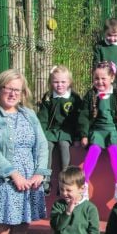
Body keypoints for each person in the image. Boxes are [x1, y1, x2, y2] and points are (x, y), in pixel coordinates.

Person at [0, 69, 50, 234]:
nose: (13, 93)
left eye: (17, 90)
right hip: (2, 181)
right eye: (9, 88)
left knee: (20, 231)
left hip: (28, 183)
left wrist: (40, 173)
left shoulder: (29, 115)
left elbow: (43, 145)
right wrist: (12, 173)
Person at [77, 61, 117, 201]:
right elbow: (84, 117)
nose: (99, 82)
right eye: (96, 79)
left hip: (112, 131)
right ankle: (84, 185)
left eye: (103, 78)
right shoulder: (90, 95)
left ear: (112, 78)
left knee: (114, 150)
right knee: (94, 150)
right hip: (97, 131)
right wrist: (84, 134)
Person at [36, 65, 82, 195]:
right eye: (56, 82)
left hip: (67, 132)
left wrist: (77, 137)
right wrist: (41, 135)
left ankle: (64, 181)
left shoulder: (74, 98)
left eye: (63, 82)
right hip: (51, 131)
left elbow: (79, 119)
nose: (59, 85)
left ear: (69, 82)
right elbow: (43, 118)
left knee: (63, 146)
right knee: (47, 146)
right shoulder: (48, 97)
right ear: (51, 83)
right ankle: (46, 180)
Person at [93, 18, 117, 96]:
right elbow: (96, 64)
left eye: (115, 35)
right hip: (104, 80)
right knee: (104, 102)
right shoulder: (99, 46)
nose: (112, 38)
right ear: (104, 32)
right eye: (109, 35)